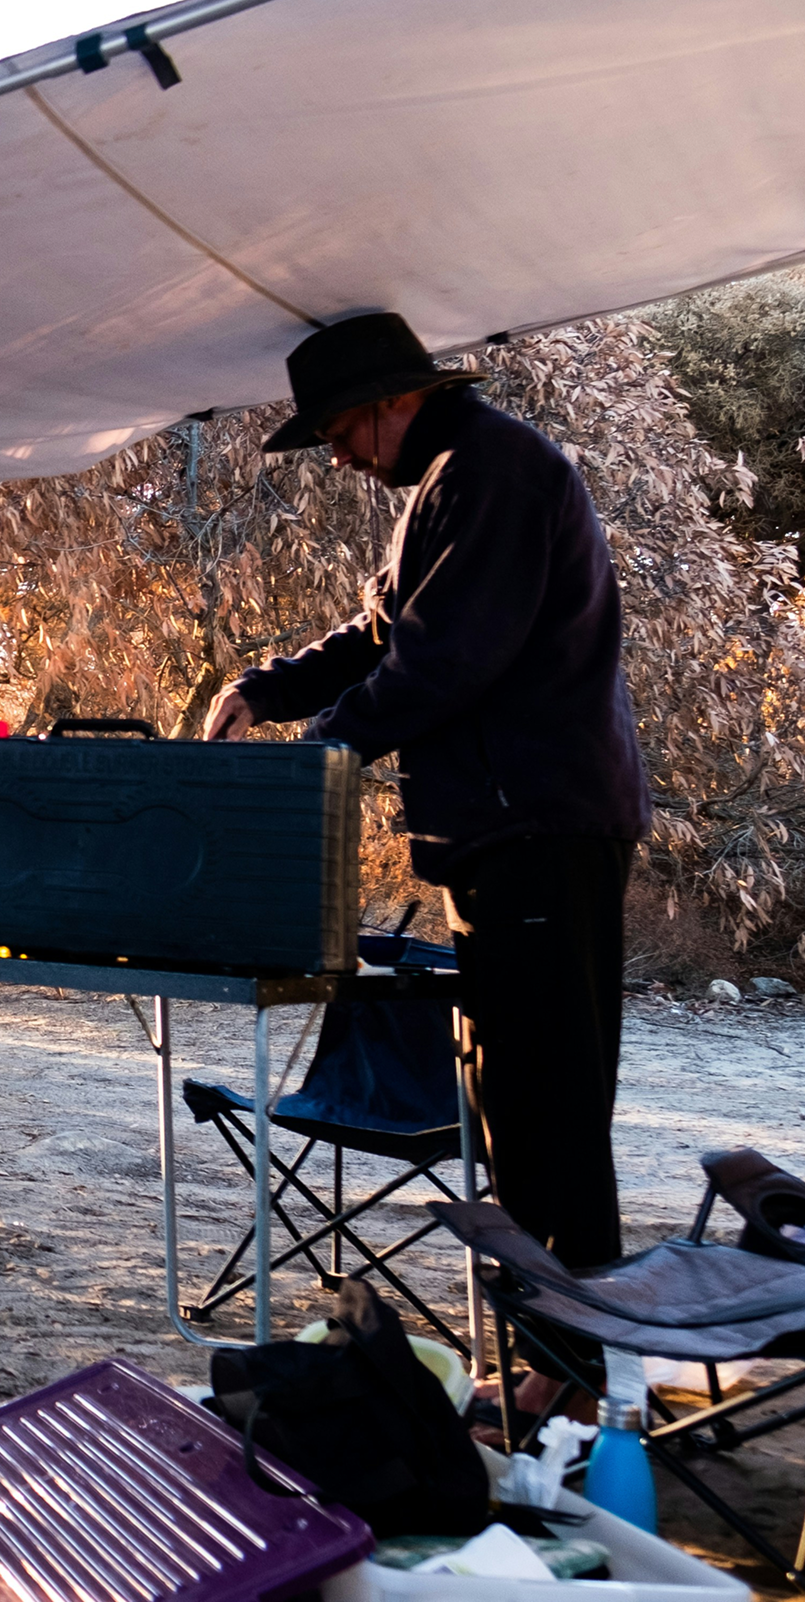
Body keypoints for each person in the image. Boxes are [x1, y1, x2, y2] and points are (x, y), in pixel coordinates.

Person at [203, 312, 650, 1315]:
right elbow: (382, 631)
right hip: (497, 837)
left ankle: (570, 1365)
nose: (341, 459)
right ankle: (547, 1354)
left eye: (341, 434)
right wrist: (265, 689)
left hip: (540, 827)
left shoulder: (492, 473)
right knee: (509, 1106)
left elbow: (441, 662)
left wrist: (319, 753)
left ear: (393, 401)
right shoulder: (451, 481)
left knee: (550, 1106)